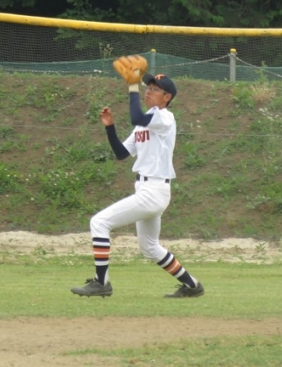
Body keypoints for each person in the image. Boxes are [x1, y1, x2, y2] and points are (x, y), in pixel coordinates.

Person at [70, 72, 204, 298]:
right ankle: (192, 286)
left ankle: (102, 283)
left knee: (99, 222)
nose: (148, 92)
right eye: (147, 87)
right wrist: (110, 127)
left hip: (154, 190)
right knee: (150, 247)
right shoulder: (146, 122)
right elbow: (122, 153)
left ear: (167, 97)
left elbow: (136, 117)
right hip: (147, 189)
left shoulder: (164, 117)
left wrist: (132, 88)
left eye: (155, 89)